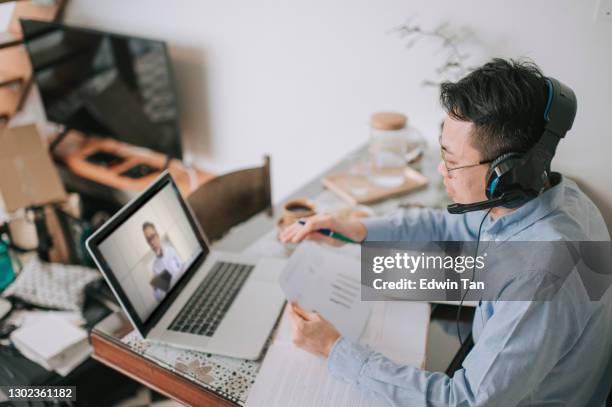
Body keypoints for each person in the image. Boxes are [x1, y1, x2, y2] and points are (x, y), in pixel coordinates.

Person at [280, 59, 612, 406]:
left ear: (506, 173)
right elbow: (446, 225)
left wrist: (334, 350)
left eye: (452, 162)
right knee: (375, 275)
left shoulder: (543, 278)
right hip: (499, 333)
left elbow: (461, 401)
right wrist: (357, 229)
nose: (441, 170)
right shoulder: (553, 196)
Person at [142, 222, 183, 301]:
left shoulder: (171, 250)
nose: (152, 242)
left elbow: (183, 269)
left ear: (157, 235)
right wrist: (155, 288)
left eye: (152, 237)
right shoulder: (155, 268)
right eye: (148, 240)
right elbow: (159, 298)